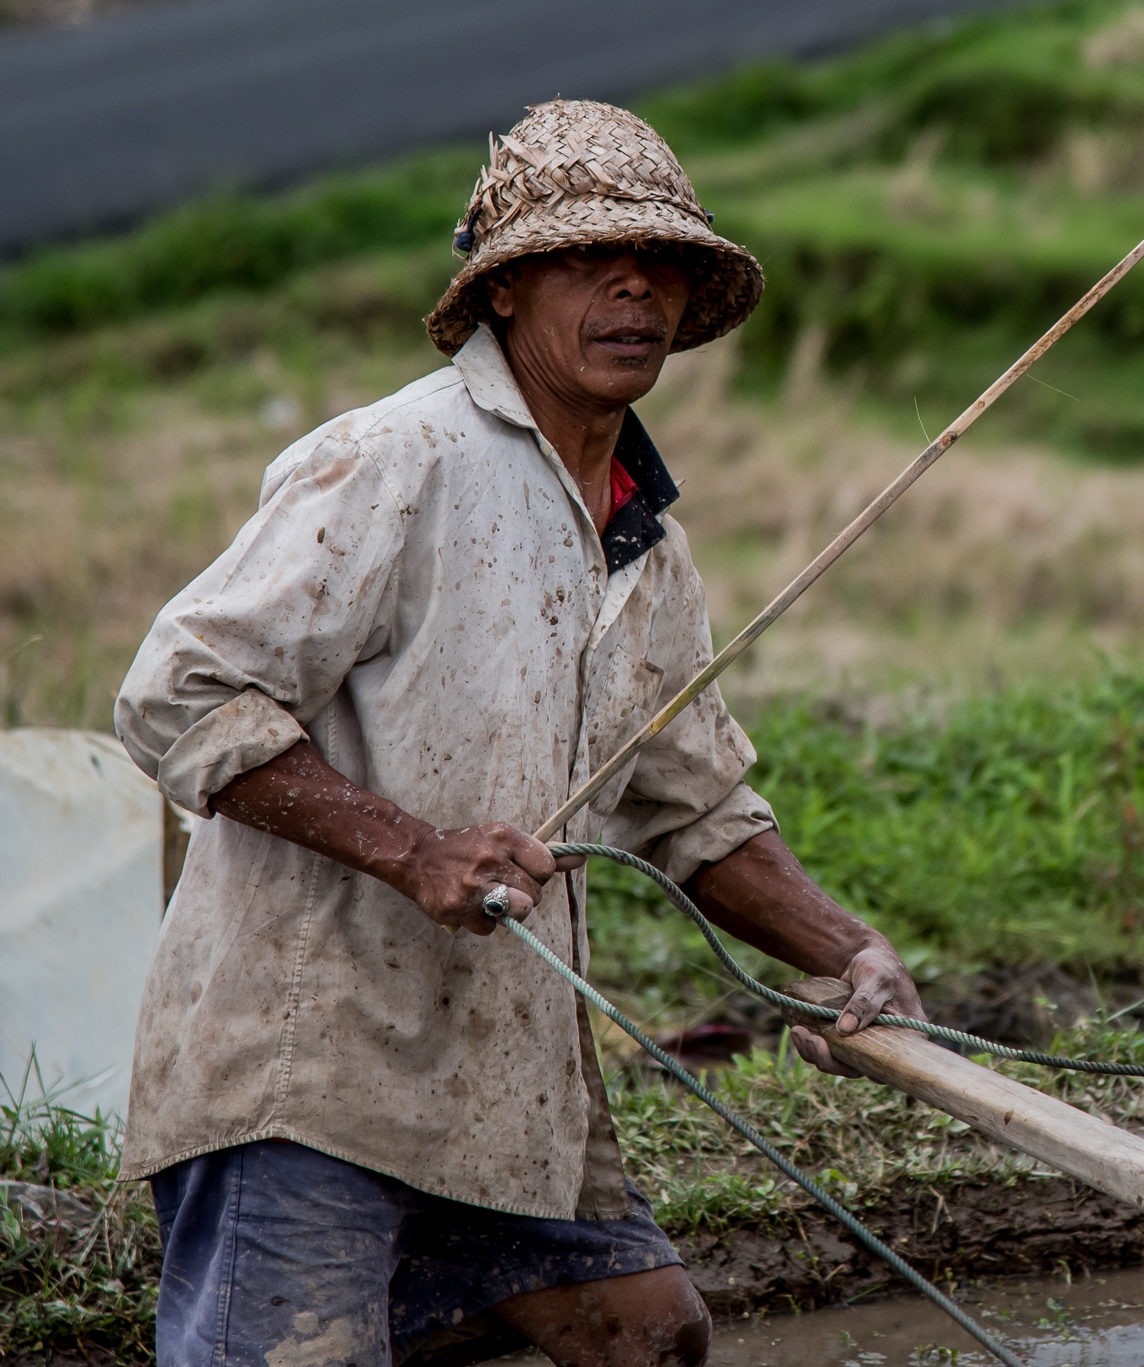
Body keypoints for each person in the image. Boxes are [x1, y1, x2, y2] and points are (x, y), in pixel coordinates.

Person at [113, 100, 923, 1367]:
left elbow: (695, 805)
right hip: (310, 1066)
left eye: (664, 266)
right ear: (503, 292)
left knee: (644, 1333)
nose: (635, 289)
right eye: (587, 259)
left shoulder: (642, 533)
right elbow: (176, 691)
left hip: (502, 1079)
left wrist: (846, 950)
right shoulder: (394, 460)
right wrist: (413, 849)